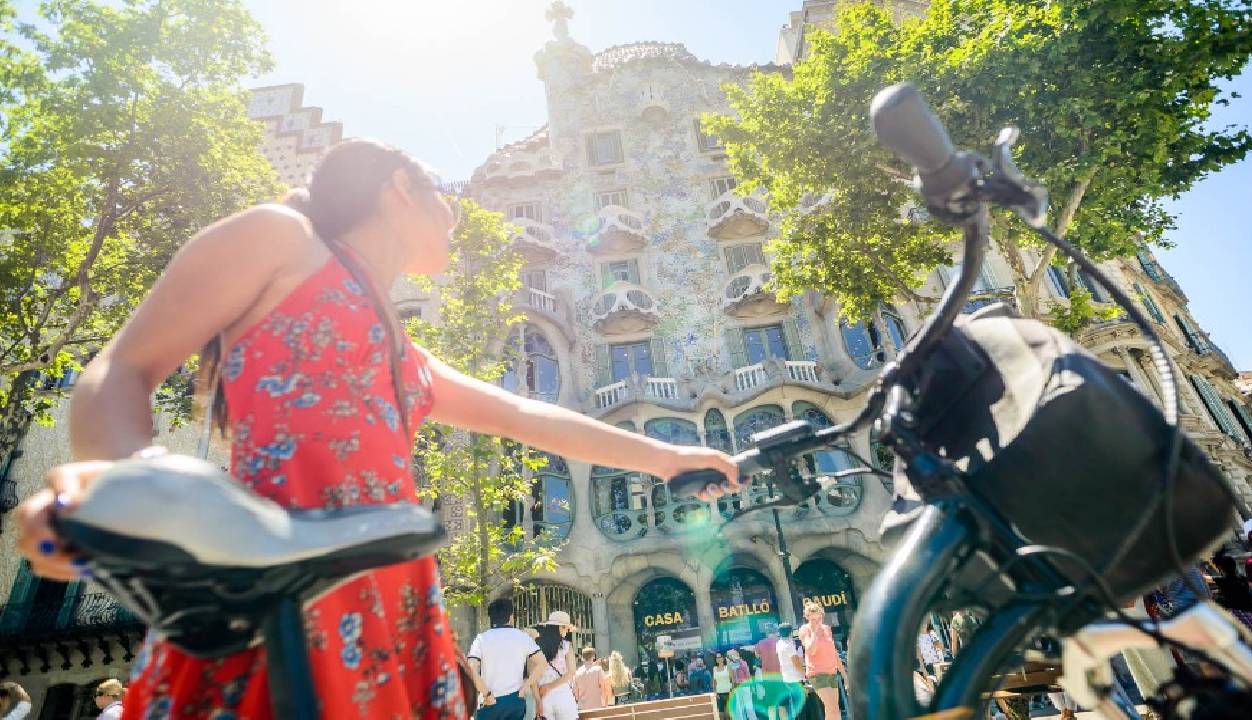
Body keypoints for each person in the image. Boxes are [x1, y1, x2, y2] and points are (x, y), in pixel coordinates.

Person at [11, 140, 739, 716]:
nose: (454, 216)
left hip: (392, 593)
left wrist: (666, 456)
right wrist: (126, 486)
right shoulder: (281, 238)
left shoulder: (404, 350)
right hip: (267, 574)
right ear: (399, 187)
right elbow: (123, 366)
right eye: (443, 198)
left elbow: (524, 416)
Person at [469, 597, 550, 720]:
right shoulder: (522, 637)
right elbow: (542, 663)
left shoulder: (481, 639)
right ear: (511, 616)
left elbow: (470, 668)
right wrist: (525, 687)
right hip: (515, 699)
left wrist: (486, 693)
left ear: (491, 617)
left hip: (489, 701)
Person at [797, 599, 845, 720]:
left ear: (822, 616)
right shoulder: (805, 630)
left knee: (834, 710)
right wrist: (815, 632)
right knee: (832, 708)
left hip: (831, 672)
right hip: (817, 673)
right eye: (812, 619)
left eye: (818, 619)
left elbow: (834, 653)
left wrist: (845, 675)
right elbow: (811, 650)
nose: (816, 622)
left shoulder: (827, 628)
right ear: (807, 617)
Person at [535, 611, 579, 720]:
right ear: (560, 627)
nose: (567, 632)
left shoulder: (536, 645)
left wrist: (537, 699)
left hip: (542, 695)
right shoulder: (566, 646)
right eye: (566, 629)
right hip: (562, 693)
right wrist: (550, 686)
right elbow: (571, 672)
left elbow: (532, 674)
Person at [773, 623, 807, 720]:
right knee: (801, 704)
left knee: (794, 704)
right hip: (795, 678)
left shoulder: (779, 643)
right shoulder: (789, 645)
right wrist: (805, 675)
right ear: (790, 632)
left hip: (786, 677)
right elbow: (796, 663)